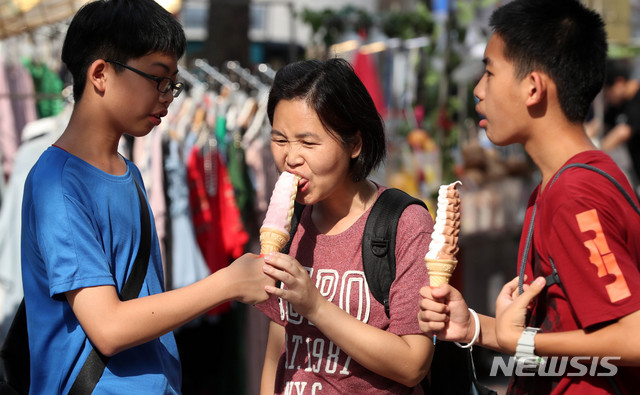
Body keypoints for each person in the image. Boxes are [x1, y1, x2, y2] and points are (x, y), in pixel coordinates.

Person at [20, 1, 272, 393]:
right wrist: (228, 283)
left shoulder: (128, 171)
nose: (168, 96)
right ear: (101, 74)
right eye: (157, 79)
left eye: (173, 83)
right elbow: (109, 327)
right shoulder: (58, 183)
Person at [417, 0, 640, 394]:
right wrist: (477, 327)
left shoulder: (576, 194)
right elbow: (567, 335)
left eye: (489, 72)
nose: (478, 90)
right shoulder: (568, 181)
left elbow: (632, 338)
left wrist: (519, 342)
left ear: (533, 87)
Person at [257, 58, 434, 394]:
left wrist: (316, 306)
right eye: (280, 140)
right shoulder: (289, 224)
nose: (291, 157)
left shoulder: (405, 223)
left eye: (308, 143)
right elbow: (275, 352)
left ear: (354, 143)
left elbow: (413, 364)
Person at [601, 58, 640, 196]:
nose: (607, 96)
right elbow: (599, 125)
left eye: (607, 91)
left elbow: (624, 131)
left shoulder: (637, 98)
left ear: (619, 82)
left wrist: (596, 152)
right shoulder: (618, 105)